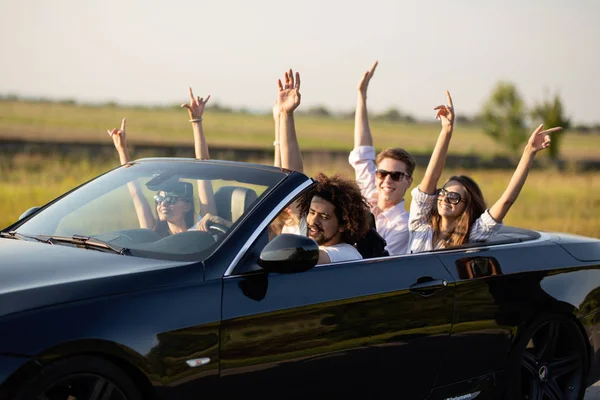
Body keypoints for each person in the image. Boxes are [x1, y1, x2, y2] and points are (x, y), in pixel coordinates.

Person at [408, 91, 562, 253]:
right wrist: (446, 131)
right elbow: (431, 177)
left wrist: (529, 152)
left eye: (453, 197)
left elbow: (506, 201)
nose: (444, 198)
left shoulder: (471, 235)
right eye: (443, 192)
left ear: (466, 206)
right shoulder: (419, 223)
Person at [272, 69, 370, 263]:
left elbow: (303, 257)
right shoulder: (305, 232)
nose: (313, 222)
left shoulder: (345, 254)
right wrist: (286, 115)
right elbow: (293, 178)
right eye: (312, 213)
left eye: (325, 216)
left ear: (343, 224)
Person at [348, 61, 416, 255]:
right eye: (382, 173)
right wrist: (361, 95)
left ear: (408, 181)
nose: (387, 180)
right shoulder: (369, 193)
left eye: (396, 176)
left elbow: (378, 263)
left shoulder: (404, 225)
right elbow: (363, 151)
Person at [107, 118, 197, 237]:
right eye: (159, 199)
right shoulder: (153, 232)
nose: (163, 204)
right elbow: (136, 193)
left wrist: (196, 122)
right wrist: (122, 150)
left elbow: (204, 180)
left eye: (171, 200)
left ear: (187, 206)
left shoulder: (198, 233)